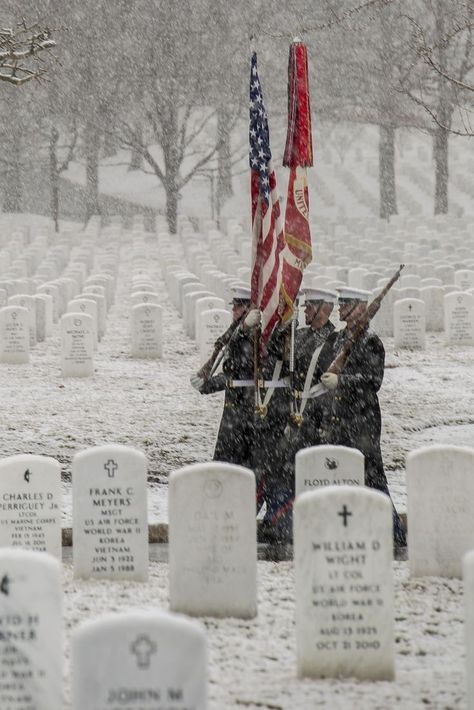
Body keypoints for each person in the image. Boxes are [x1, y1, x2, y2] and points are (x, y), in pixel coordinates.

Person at [318, 286, 407, 547]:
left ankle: (394, 534)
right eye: (341, 302)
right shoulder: (335, 339)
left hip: (362, 420)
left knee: (372, 477)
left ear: (361, 307)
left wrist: (342, 381)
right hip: (337, 417)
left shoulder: (371, 341)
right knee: (340, 476)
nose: (341, 307)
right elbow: (325, 370)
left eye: (347, 302)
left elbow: (373, 380)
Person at [250, 288, 338, 543]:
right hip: (295, 415)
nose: (306, 310)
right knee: (282, 468)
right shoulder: (299, 336)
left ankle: (292, 524)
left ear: (325, 309)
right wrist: (281, 320)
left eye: (311, 306)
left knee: (306, 471)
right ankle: (278, 522)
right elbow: (279, 352)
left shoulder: (332, 339)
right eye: (305, 305)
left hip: (316, 417)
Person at [190, 286, 256, 469]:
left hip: (244, 403)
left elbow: (238, 374)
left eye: (237, 307)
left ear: (248, 309)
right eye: (233, 306)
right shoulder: (236, 331)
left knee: (234, 458)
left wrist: (210, 385)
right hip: (235, 403)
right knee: (227, 457)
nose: (233, 310)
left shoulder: (249, 335)